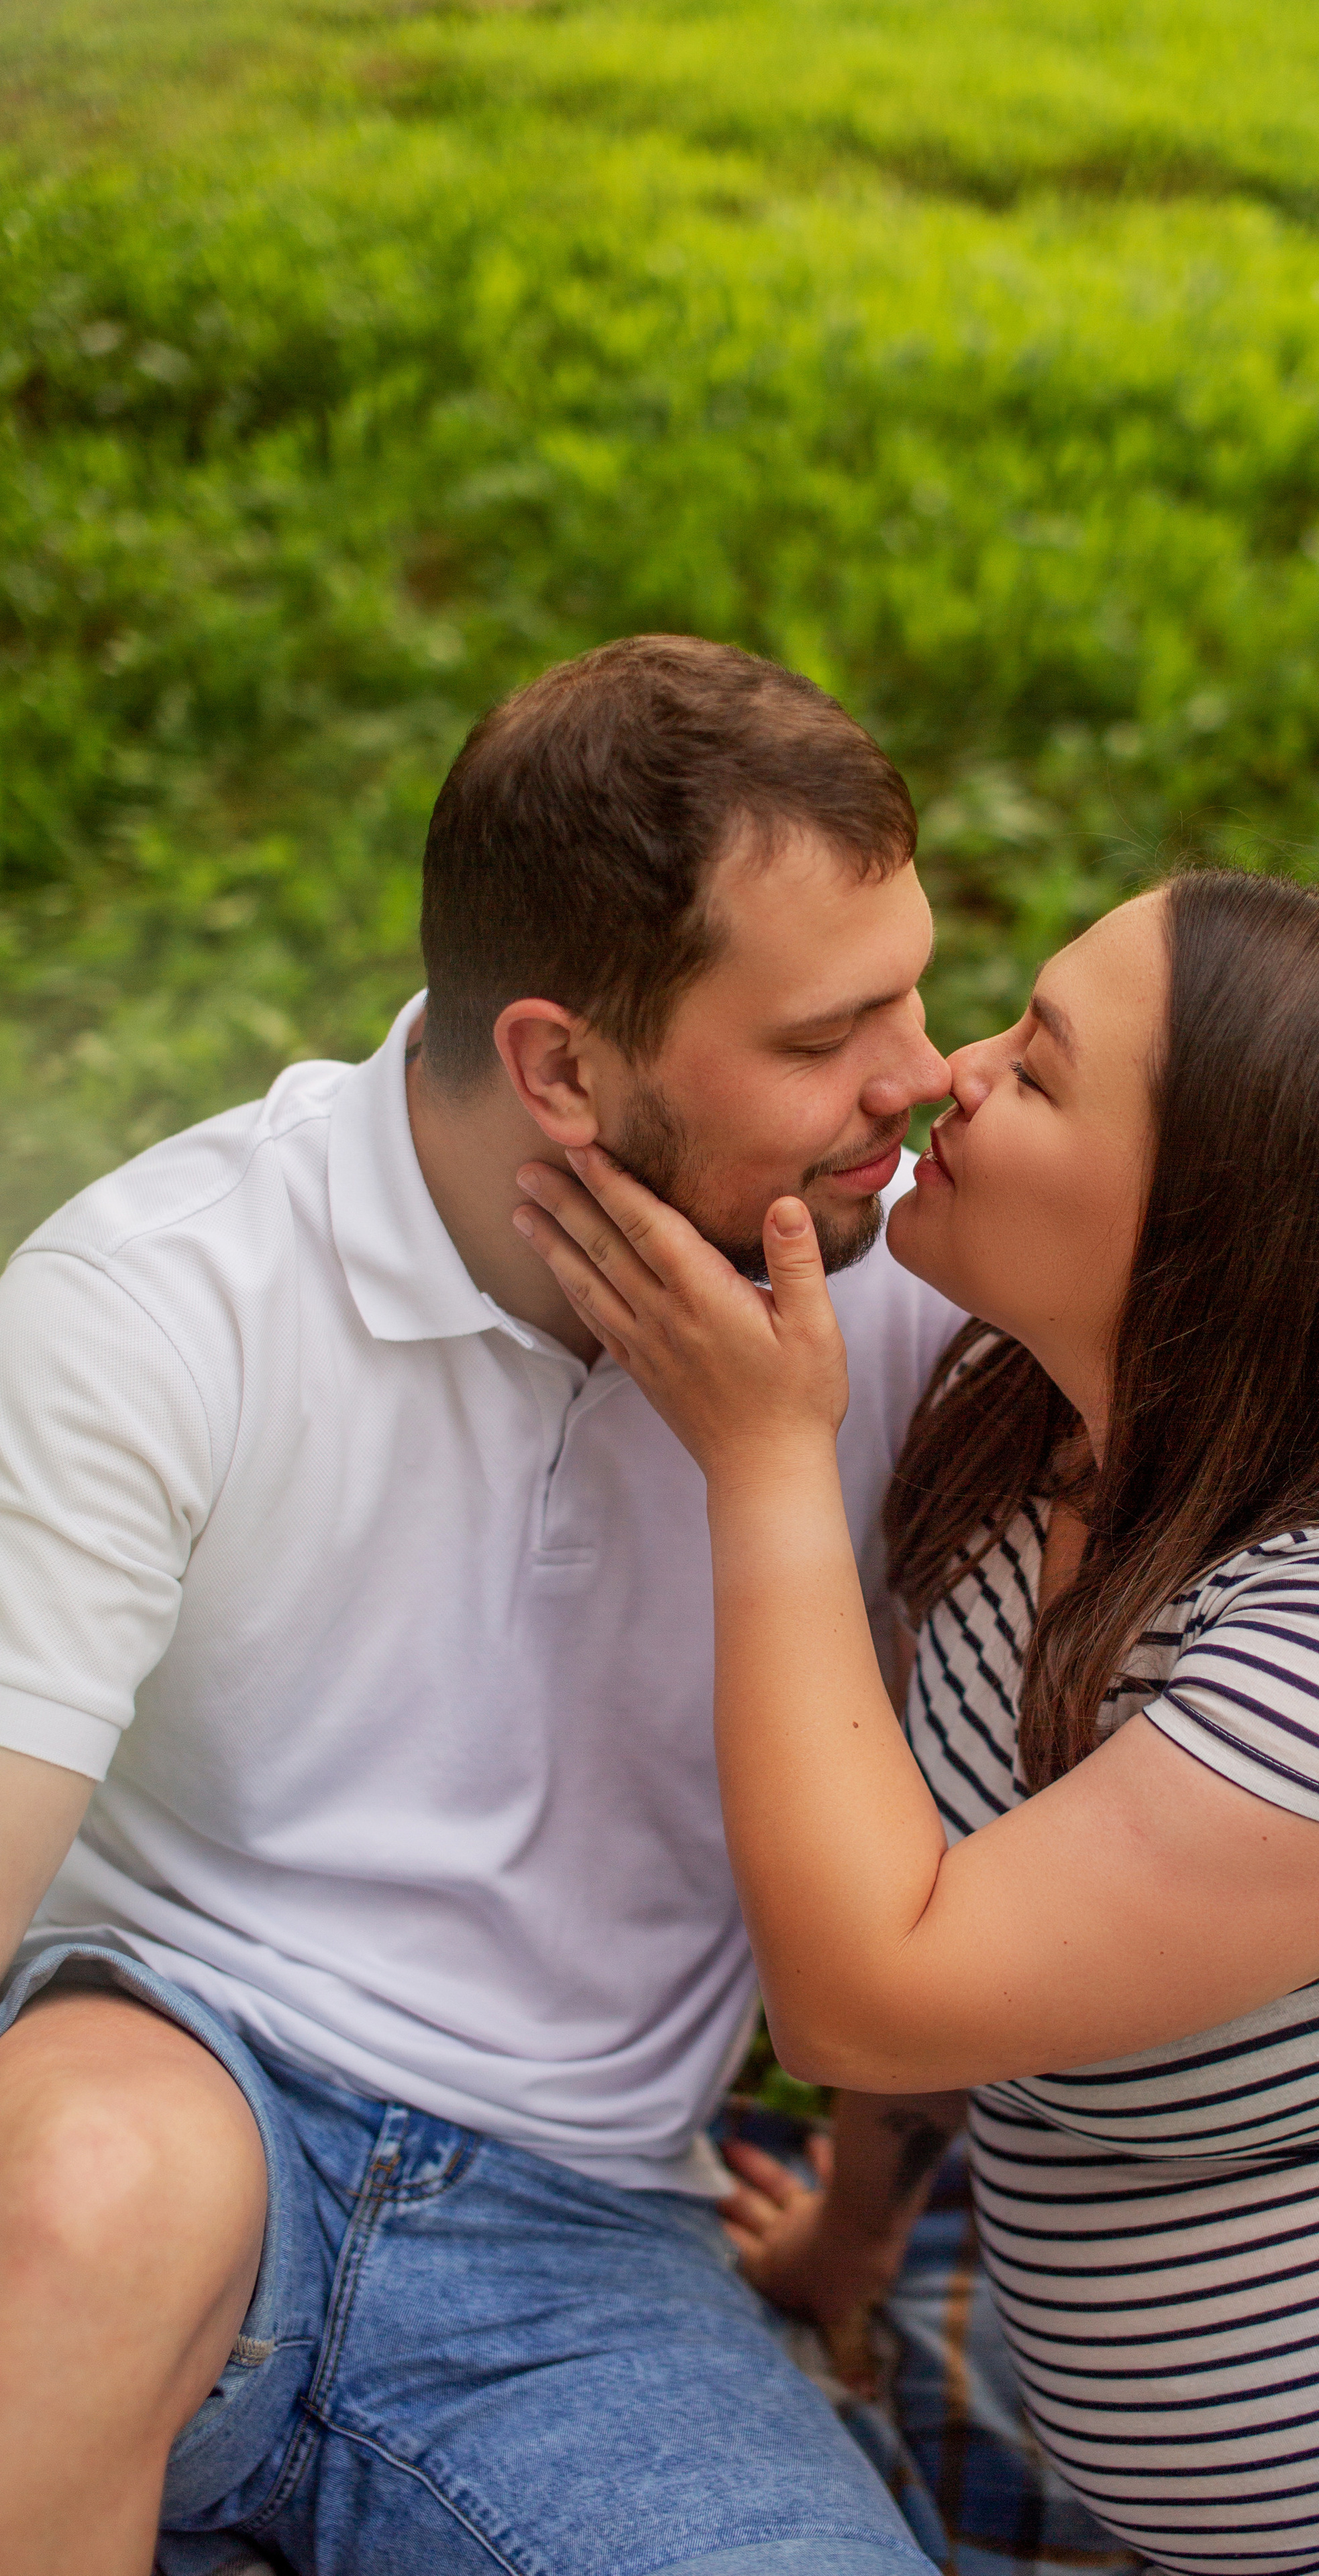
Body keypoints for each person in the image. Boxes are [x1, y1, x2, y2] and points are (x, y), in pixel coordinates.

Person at [512, 867, 1319, 2575]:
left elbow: (876, 1995)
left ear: (1214, 1220)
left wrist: (766, 1462)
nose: (951, 1074)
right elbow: (951, 1899)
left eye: (1040, 1065)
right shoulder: (1035, 1435)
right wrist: (846, 2249)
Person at [0, 636, 969, 2576]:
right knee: (87, 2193)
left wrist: (862, 2222)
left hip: (587, 2243)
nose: (918, 1075)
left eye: (918, 987)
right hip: (185, 2091)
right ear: (559, 1067)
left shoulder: (917, 1294)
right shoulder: (160, 1301)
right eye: (817, 1038)